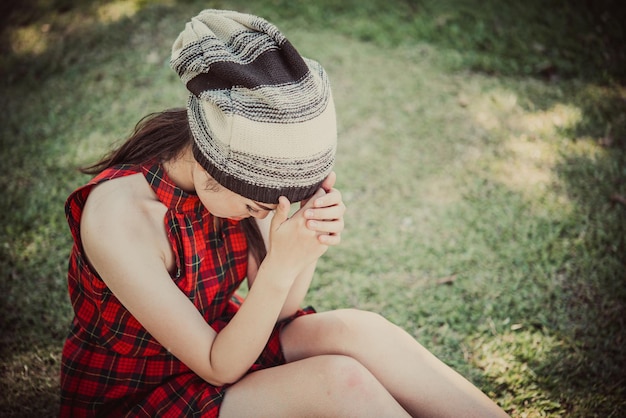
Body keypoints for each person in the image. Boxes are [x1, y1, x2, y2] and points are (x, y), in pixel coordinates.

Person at [59, 9, 509, 418]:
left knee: (360, 331)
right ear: (209, 165)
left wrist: (307, 242)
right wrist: (283, 262)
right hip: (139, 394)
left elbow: (280, 310)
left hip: (226, 342)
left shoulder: (240, 173)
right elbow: (220, 367)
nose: (268, 212)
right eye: (258, 205)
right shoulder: (119, 218)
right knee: (339, 383)